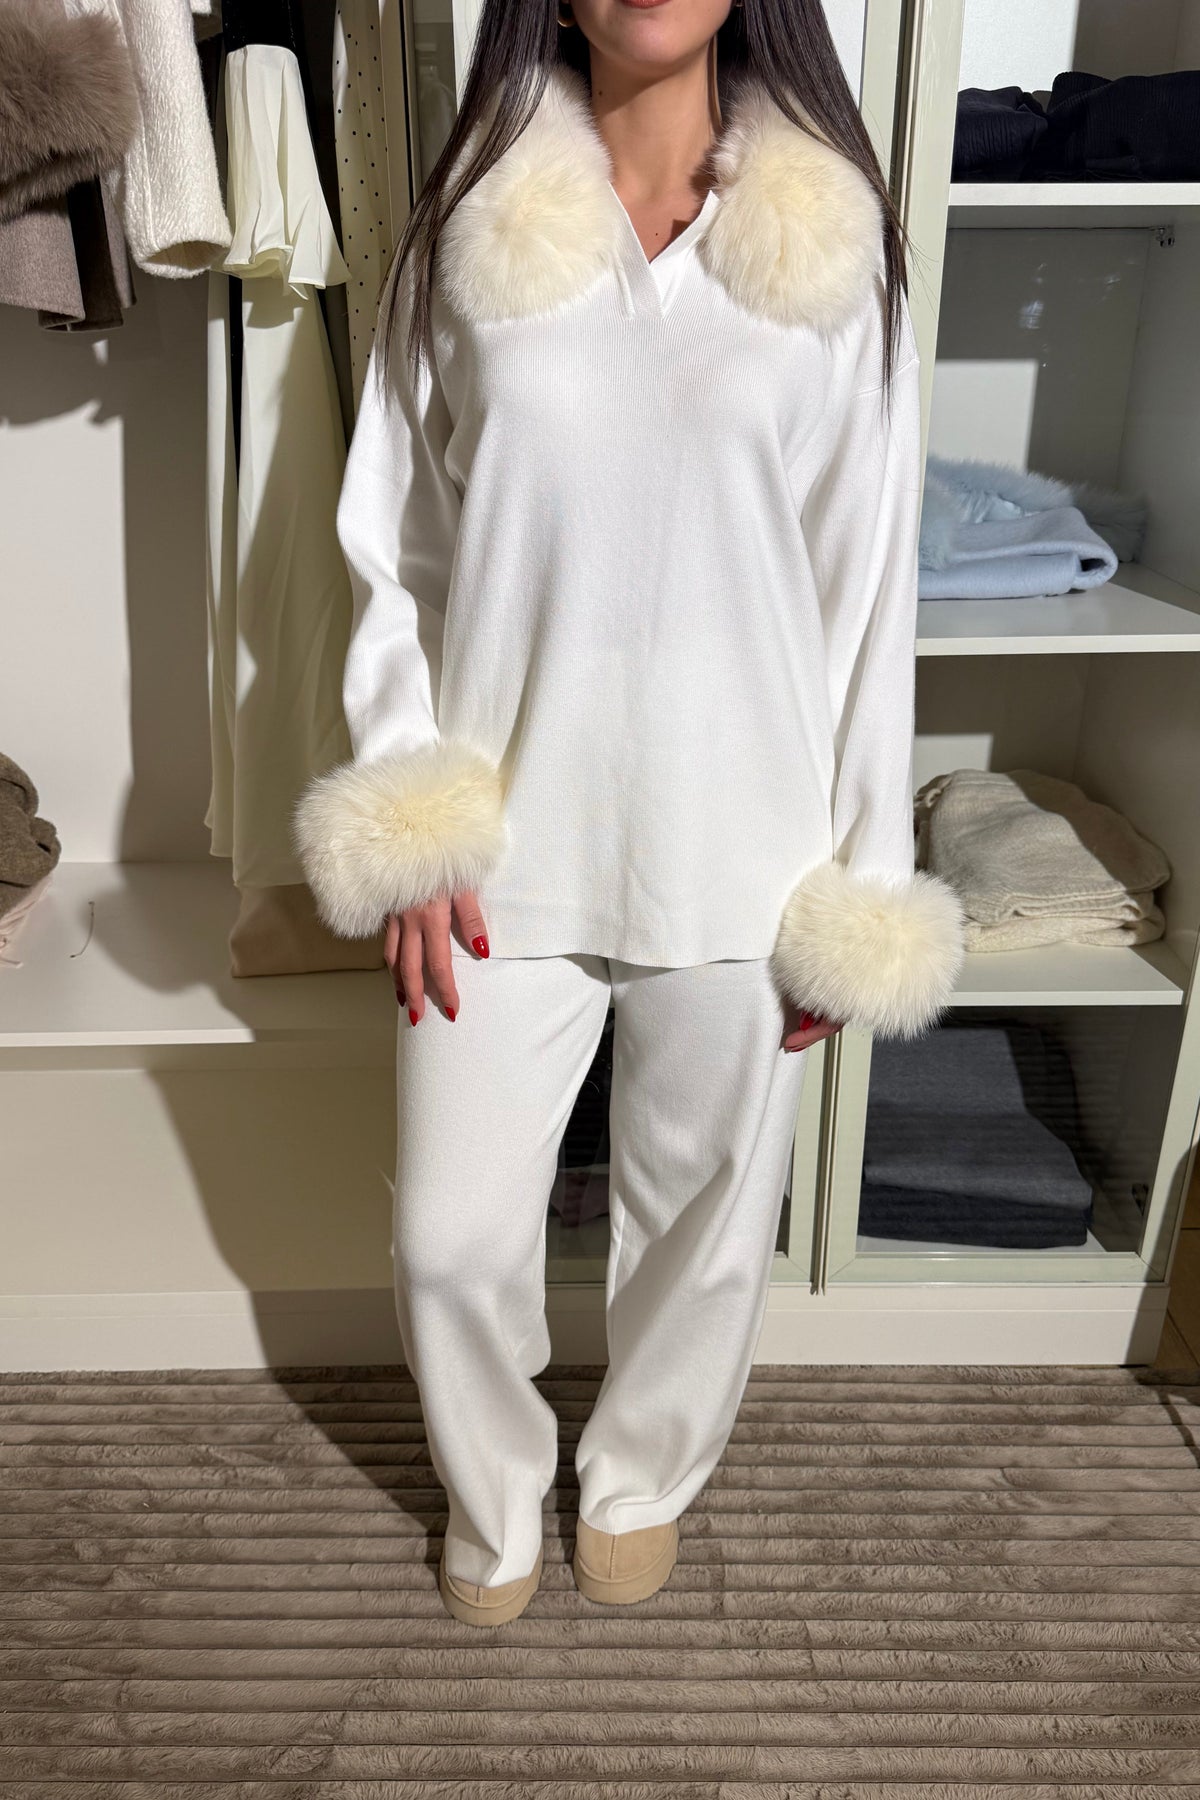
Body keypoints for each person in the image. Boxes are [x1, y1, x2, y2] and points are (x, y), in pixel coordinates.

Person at [293, 0, 965, 1628]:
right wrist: (410, 807)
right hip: (504, 846)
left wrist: (864, 877)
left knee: (707, 1231)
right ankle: (493, 1489)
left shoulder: (831, 255)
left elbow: (868, 594)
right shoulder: (468, 233)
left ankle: (643, 1477)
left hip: (749, 843)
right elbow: (393, 554)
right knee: (452, 1241)